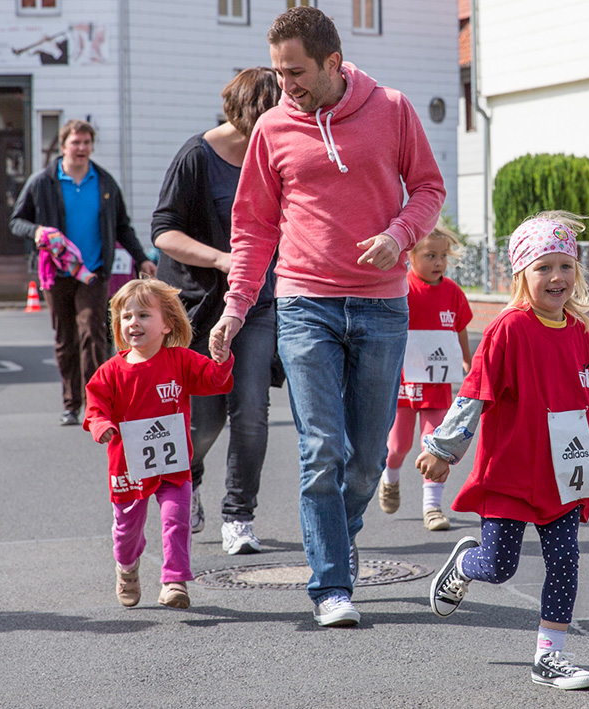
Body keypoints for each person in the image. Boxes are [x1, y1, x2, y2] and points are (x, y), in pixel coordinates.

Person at [208, 6, 445, 627]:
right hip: (304, 303)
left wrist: (400, 235)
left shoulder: (391, 108)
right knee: (322, 448)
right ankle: (331, 587)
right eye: (279, 72)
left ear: (333, 63)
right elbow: (254, 227)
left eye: (296, 72)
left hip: (381, 304)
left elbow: (428, 187)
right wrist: (236, 308)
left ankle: (341, 534)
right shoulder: (271, 130)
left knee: (367, 459)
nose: (286, 85)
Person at [416, 212, 589, 690]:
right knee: (498, 566)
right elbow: (474, 393)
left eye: (564, 266)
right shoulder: (508, 330)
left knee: (565, 560)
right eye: (542, 267)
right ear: (521, 274)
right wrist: (442, 449)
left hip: (564, 477)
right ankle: (463, 564)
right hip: (512, 474)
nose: (556, 277)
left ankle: (550, 655)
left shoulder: (579, 333)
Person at [151, 67, 281, 556]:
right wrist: (222, 258)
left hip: (258, 304)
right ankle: (194, 476)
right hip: (199, 309)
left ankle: (239, 516)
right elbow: (163, 231)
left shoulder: (276, 155)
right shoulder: (197, 156)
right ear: (247, 112)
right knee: (204, 423)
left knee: (252, 413)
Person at [83, 278, 234, 609]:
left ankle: (174, 580)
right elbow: (94, 409)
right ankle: (127, 568)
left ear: (167, 324)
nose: (133, 323)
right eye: (126, 317)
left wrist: (221, 359)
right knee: (126, 533)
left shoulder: (180, 361)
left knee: (177, 518)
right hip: (127, 465)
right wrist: (102, 426)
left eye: (143, 315)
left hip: (174, 463)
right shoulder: (110, 372)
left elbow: (214, 381)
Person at [10, 119, 156, 427]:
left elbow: (122, 226)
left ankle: (97, 403)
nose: (81, 148)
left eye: (87, 143)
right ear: (63, 146)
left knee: (93, 331)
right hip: (56, 273)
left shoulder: (104, 182)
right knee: (66, 338)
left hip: (93, 273)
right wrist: (36, 231)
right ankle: (71, 403)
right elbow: (16, 221)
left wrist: (141, 258)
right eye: (76, 143)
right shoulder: (43, 182)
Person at [378, 220, 472, 531]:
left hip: (437, 384)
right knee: (398, 446)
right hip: (404, 381)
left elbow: (460, 329)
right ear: (410, 256)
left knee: (434, 445)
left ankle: (432, 507)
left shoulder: (453, 293)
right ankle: (389, 478)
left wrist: (468, 362)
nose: (439, 262)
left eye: (443, 256)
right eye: (430, 255)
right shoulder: (401, 288)